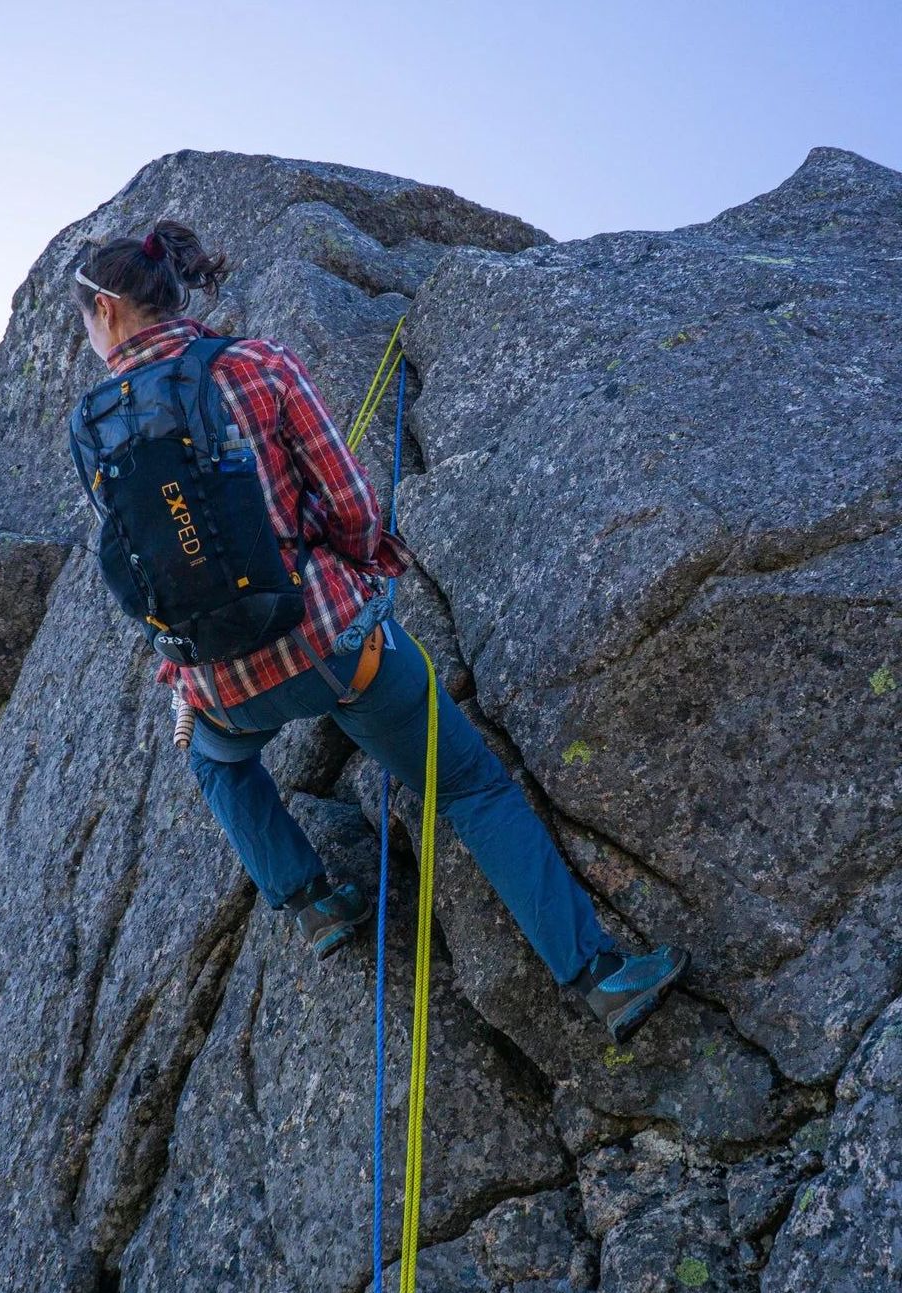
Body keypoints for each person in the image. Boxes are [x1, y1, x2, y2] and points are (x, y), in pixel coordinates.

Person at [68, 220, 690, 1045]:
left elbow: (146, 558)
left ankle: (313, 902)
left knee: (214, 761)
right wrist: (363, 569)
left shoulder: (90, 425)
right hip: (335, 645)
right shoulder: (257, 365)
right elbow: (353, 505)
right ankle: (600, 976)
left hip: (217, 677)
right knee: (468, 788)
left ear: (108, 311)